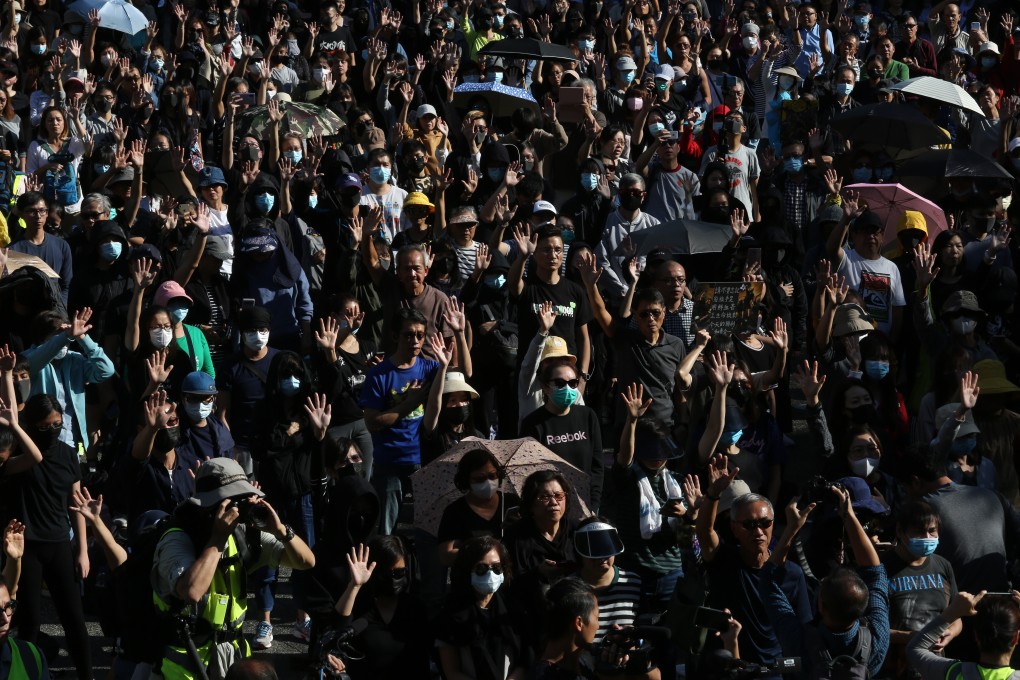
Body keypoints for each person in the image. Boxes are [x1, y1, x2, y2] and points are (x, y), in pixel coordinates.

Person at [151, 458, 316, 680]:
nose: (240, 509)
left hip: (232, 659)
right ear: (210, 504)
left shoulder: (242, 534)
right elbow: (191, 591)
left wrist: (280, 531)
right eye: (234, 501)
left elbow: (306, 562)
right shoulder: (177, 537)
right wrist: (218, 539)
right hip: (185, 667)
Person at [359, 308, 451, 535]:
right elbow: (373, 422)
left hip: (423, 460)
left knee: (427, 530)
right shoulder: (379, 374)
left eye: (420, 335)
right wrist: (413, 401)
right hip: (389, 462)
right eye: (408, 334)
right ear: (395, 336)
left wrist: (456, 336)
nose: (415, 340)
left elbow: (464, 373)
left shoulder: (430, 368)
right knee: (386, 531)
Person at [331, 539, 431, 679]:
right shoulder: (359, 605)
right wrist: (354, 586)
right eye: (384, 572)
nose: (392, 579)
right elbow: (336, 630)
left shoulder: (415, 608)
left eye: (399, 572)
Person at [435, 536, 530, 680]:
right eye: (481, 568)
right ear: (467, 569)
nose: (490, 574)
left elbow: (525, 660)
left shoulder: (513, 609)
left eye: (496, 568)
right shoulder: (450, 615)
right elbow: (451, 671)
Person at [907, 591, 1020, 680]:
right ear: (1016, 638)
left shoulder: (954, 673)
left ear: (976, 635)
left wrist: (952, 612)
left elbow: (915, 649)